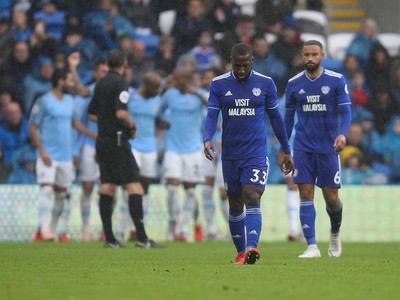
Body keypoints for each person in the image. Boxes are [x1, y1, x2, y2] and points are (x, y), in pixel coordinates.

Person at [203, 43, 294, 265]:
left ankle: (253, 246)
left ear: (252, 62)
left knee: (252, 195)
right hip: (231, 155)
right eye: (237, 66)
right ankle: (241, 252)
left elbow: (276, 119)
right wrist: (207, 138)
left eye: (245, 66)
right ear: (231, 62)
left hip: (255, 153)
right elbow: (212, 115)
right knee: (234, 204)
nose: (241, 70)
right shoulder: (219, 84)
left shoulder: (265, 83)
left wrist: (285, 147)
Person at [88, 48, 164, 248]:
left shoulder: (100, 83)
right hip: (119, 140)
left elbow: (92, 114)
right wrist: (131, 126)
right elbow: (121, 113)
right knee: (135, 186)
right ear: (125, 64)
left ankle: (110, 239)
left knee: (107, 186)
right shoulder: (121, 83)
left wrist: (106, 123)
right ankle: (141, 237)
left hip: (102, 140)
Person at [284, 40, 352, 258]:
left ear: (322, 55)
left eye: (314, 54)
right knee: (305, 192)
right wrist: (284, 147)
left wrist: (343, 134)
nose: (310, 59)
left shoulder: (336, 80)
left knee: (331, 198)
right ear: (301, 56)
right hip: (303, 146)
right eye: (306, 55)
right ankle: (312, 246)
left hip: (328, 147)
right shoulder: (294, 83)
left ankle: (334, 233)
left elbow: (346, 112)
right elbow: (287, 118)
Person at [158, 67, 207, 242]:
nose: (181, 83)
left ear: (189, 79)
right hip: (173, 148)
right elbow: (158, 113)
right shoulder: (169, 95)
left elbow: (211, 105)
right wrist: (163, 124)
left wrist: (196, 93)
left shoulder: (199, 94)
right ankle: (172, 225)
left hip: (193, 149)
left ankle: (184, 230)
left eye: (184, 79)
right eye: (178, 79)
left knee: (191, 191)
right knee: (171, 188)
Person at [29, 68, 77, 242]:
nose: (73, 84)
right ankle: (43, 230)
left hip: (66, 156)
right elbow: (32, 127)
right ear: (61, 81)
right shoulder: (44, 101)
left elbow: (75, 124)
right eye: (70, 81)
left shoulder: (70, 101)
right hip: (48, 154)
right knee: (47, 189)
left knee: (62, 194)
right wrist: (42, 151)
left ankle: (52, 229)